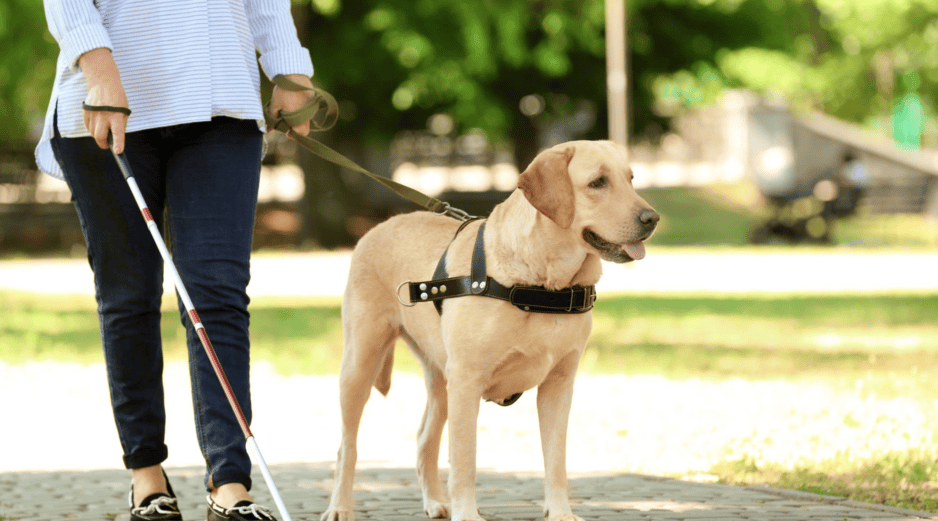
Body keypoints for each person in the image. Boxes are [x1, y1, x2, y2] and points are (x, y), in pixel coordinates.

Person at [35, 1, 315, 520]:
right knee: (129, 294)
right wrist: (99, 70)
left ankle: (229, 481)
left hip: (221, 102)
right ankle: (146, 476)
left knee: (218, 294)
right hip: (109, 100)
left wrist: (289, 67)